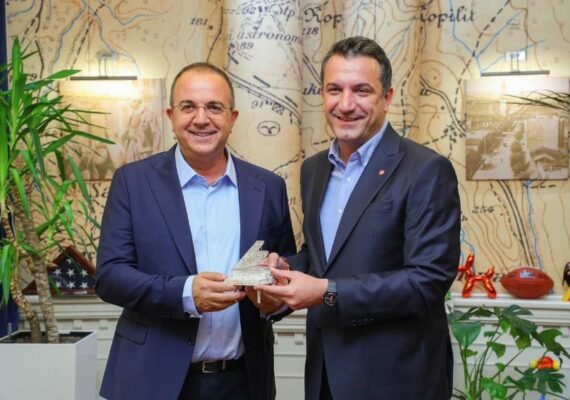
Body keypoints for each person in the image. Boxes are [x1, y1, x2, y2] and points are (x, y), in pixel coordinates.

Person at [256, 36, 461, 400]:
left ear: (387, 98)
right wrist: (283, 269)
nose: (346, 104)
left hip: (397, 380)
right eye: (335, 90)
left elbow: (427, 281)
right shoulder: (314, 170)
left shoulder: (426, 169)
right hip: (325, 375)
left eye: (362, 90)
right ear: (323, 95)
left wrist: (326, 292)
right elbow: (323, 259)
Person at [95, 62, 296, 400]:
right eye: (188, 107)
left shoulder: (268, 187)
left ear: (232, 118)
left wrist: (274, 299)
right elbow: (110, 277)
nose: (201, 119)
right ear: (171, 116)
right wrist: (186, 293)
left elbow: (286, 265)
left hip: (244, 382)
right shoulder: (132, 182)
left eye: (214, 107)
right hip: (152, 380)